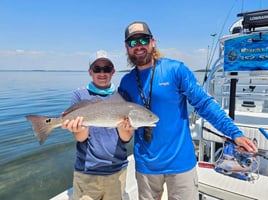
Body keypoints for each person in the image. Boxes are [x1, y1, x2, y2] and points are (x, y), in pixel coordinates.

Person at [118, 21, 258, 200]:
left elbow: (204, 104)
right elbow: (117, 120)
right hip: (146, 165)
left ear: (153, 42)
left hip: (181, 162)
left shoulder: (175, 70)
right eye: (132, 42)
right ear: (126, 47)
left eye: (143, 40)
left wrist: (234, 133)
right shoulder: (126, 82)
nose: (138, 46)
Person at [62, 50, 133, 200]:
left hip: (117, 171)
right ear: (90, 72)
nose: (102, 73)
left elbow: (126, 138)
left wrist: (125, 127)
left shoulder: (123, 96)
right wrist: (79, 128)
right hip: (87, 172)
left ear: (113, 72)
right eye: (97, 69)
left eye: (106, 69)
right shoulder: (79, 95)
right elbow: (81, 138)